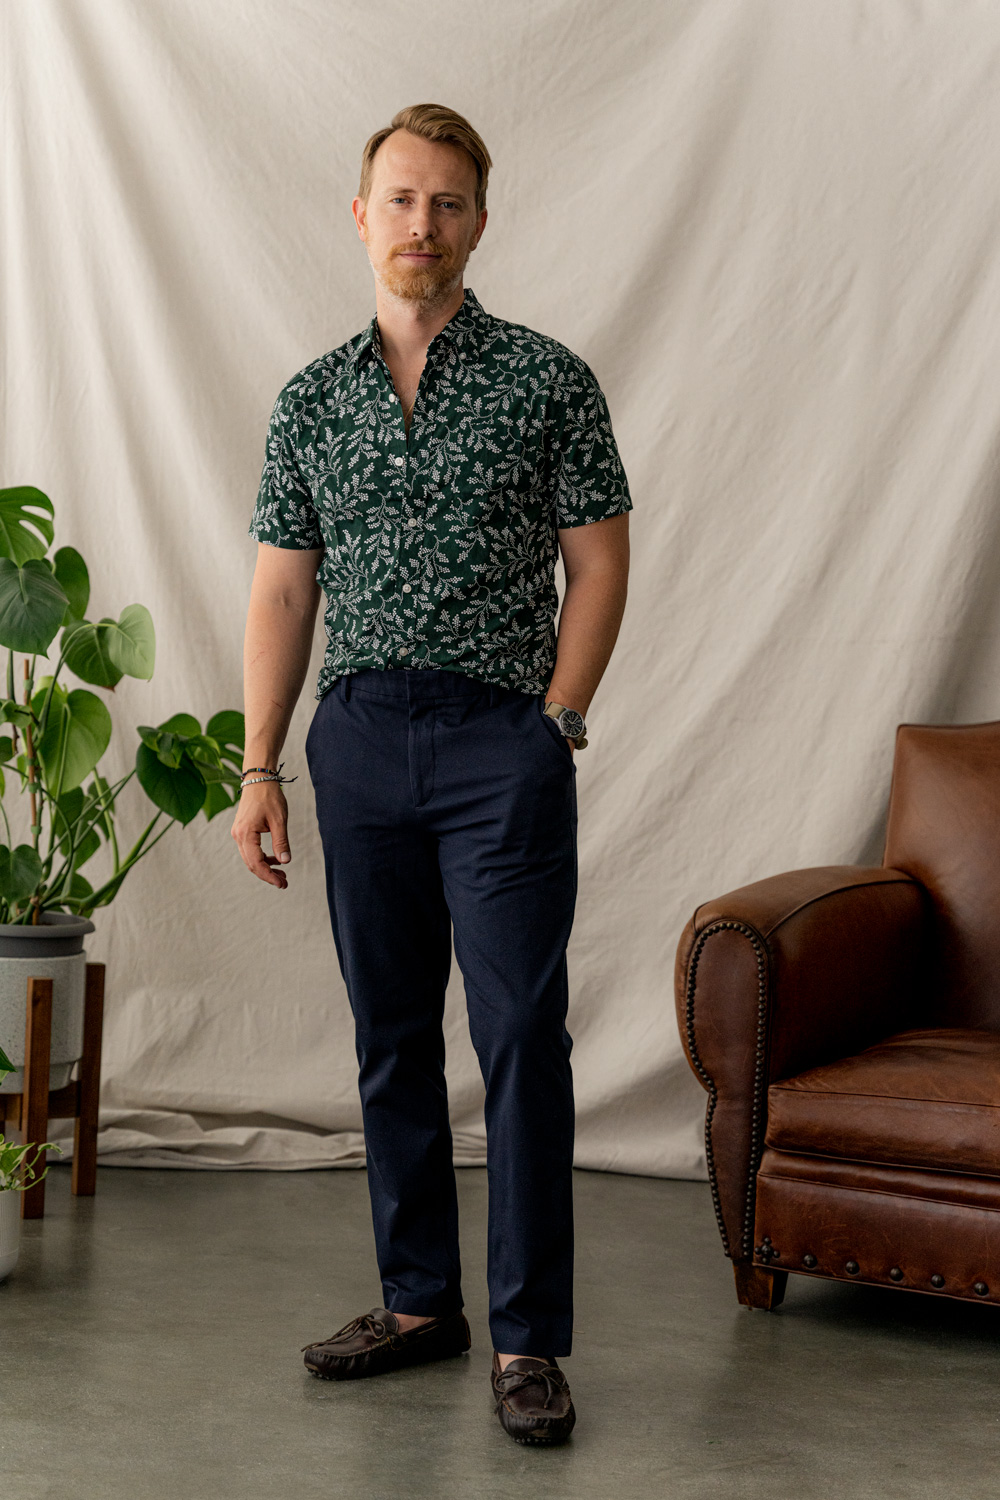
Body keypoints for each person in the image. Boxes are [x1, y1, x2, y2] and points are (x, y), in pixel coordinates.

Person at [233, 102, 632, 1447]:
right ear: (362, 217)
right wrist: (259, 762)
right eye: (400, 199)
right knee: (390, 1028)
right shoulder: (312, 399)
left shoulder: (548, 380)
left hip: (497, 745)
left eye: (448, 201)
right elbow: (284, 591)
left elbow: (600, 561)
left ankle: (527, 1341)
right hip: (354, 742)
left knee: (521, 1035)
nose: (422, 224)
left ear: (479, 218)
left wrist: (557, 723)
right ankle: (419, 1305)